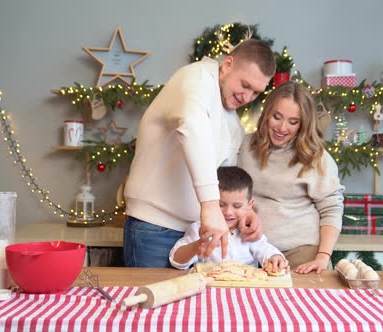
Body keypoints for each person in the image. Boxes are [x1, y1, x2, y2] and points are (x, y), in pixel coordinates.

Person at [123, 39, 276, 267]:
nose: (247, 98)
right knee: (151, 300)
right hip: (154, 227)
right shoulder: (194, 79)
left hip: (198, 231)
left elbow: (226, 182)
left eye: (256, 93)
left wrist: (245, 214)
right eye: (245, 85)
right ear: (227, 64)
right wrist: (211, 207)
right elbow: (192, 129)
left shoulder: (234, 125)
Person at [237, 81, 345, 274]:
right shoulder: (243, 146)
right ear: (266, 114)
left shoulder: (316, 157)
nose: (282, 128)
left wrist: (322, 257)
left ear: (303, 124)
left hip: (301, 254)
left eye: (293, 122)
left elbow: (332, 209)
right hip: (250, 251)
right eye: (276, 117)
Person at [169, 166, 289, 274]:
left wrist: (275, 257)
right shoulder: (199, 228)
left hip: (245, 289)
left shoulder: (249, 231)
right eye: (220, 205)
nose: (228, 212)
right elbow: (176, 261)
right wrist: (197, 245)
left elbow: (266, 250)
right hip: (209, 289)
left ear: (250, 205)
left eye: (237, 206)